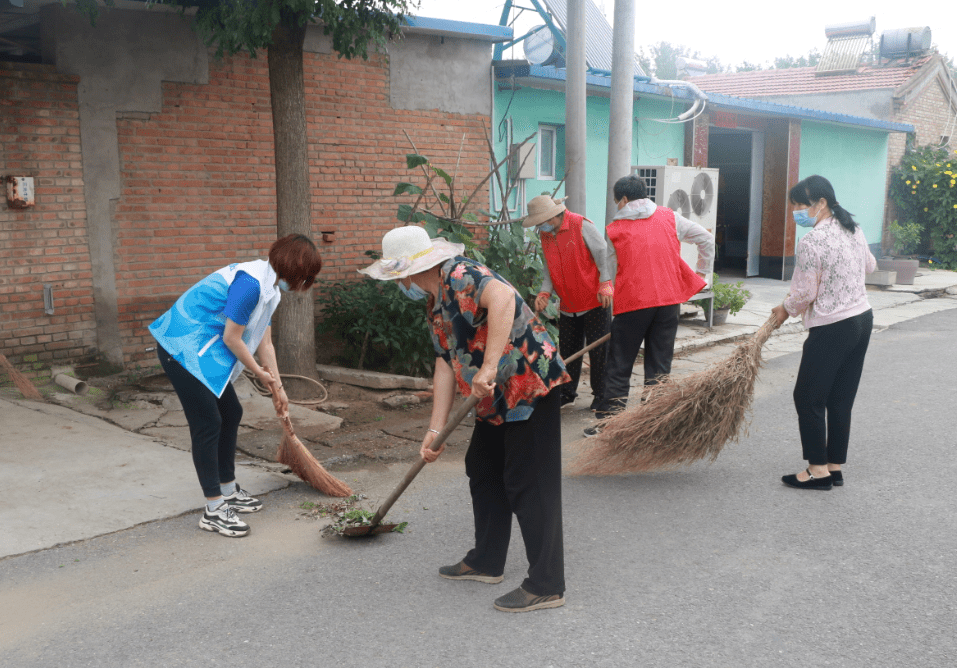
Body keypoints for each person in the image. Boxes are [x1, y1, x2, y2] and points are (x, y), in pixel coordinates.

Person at [360, 226, 570, 613]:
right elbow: (444, 363)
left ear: (404, 273)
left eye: (395, 278)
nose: (397, 284)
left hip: (527, 383)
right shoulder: (435, 299)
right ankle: (487, 560)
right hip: (490, 395)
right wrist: (434, 431)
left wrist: (488, 366)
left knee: (528, 481)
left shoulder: (459, 274)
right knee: (482, 466)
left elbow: (504, 297)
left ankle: (546, 584)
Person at [149, 234, 323, 536]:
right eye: (306, 277)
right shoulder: (250, 285)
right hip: (180, 347)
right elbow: (232, 337)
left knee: (231, 413)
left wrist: (279, 388)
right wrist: (258, 373)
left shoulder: (270, 289)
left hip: (202, 349)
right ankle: (214, 509)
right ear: (294, 269)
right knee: (208, 422)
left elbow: (265, 343)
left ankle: (228, 489)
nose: (304, 284)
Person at [771, 175, 876, 491]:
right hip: (862, 319)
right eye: (795, 206)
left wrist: (784, 309)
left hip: (833, 326)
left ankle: (817, 472)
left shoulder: (812, 242)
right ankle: (834, 467)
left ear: (821, 204)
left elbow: (803, 292)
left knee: (807, 396)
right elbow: (869, 266)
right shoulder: (853, 229)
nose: (797, 212)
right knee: (840, 398)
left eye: (801, 205)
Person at [588, 174, 714, 436]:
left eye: (616, 201)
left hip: (633, 304)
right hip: (668, 302)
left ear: (623, 199)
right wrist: (702, 272)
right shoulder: (670, 216)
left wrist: (606, 286)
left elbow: (610, 269)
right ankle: (655, 421)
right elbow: (706, 239)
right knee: (659, 362)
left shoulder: (614, 229)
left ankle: (609, 421)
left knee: (620, 362)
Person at [524, 194, 613, 410]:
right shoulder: (546, 236)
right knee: (569, 351)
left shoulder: (580, 225)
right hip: (568, 304)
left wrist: (606, 282)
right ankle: (567, 392)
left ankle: (601, 395)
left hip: (594, 300)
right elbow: (549, 268)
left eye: (541, 222)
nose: (539, 227)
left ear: (553, 217)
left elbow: (603, 254)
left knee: (599, 352)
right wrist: (545, 293)